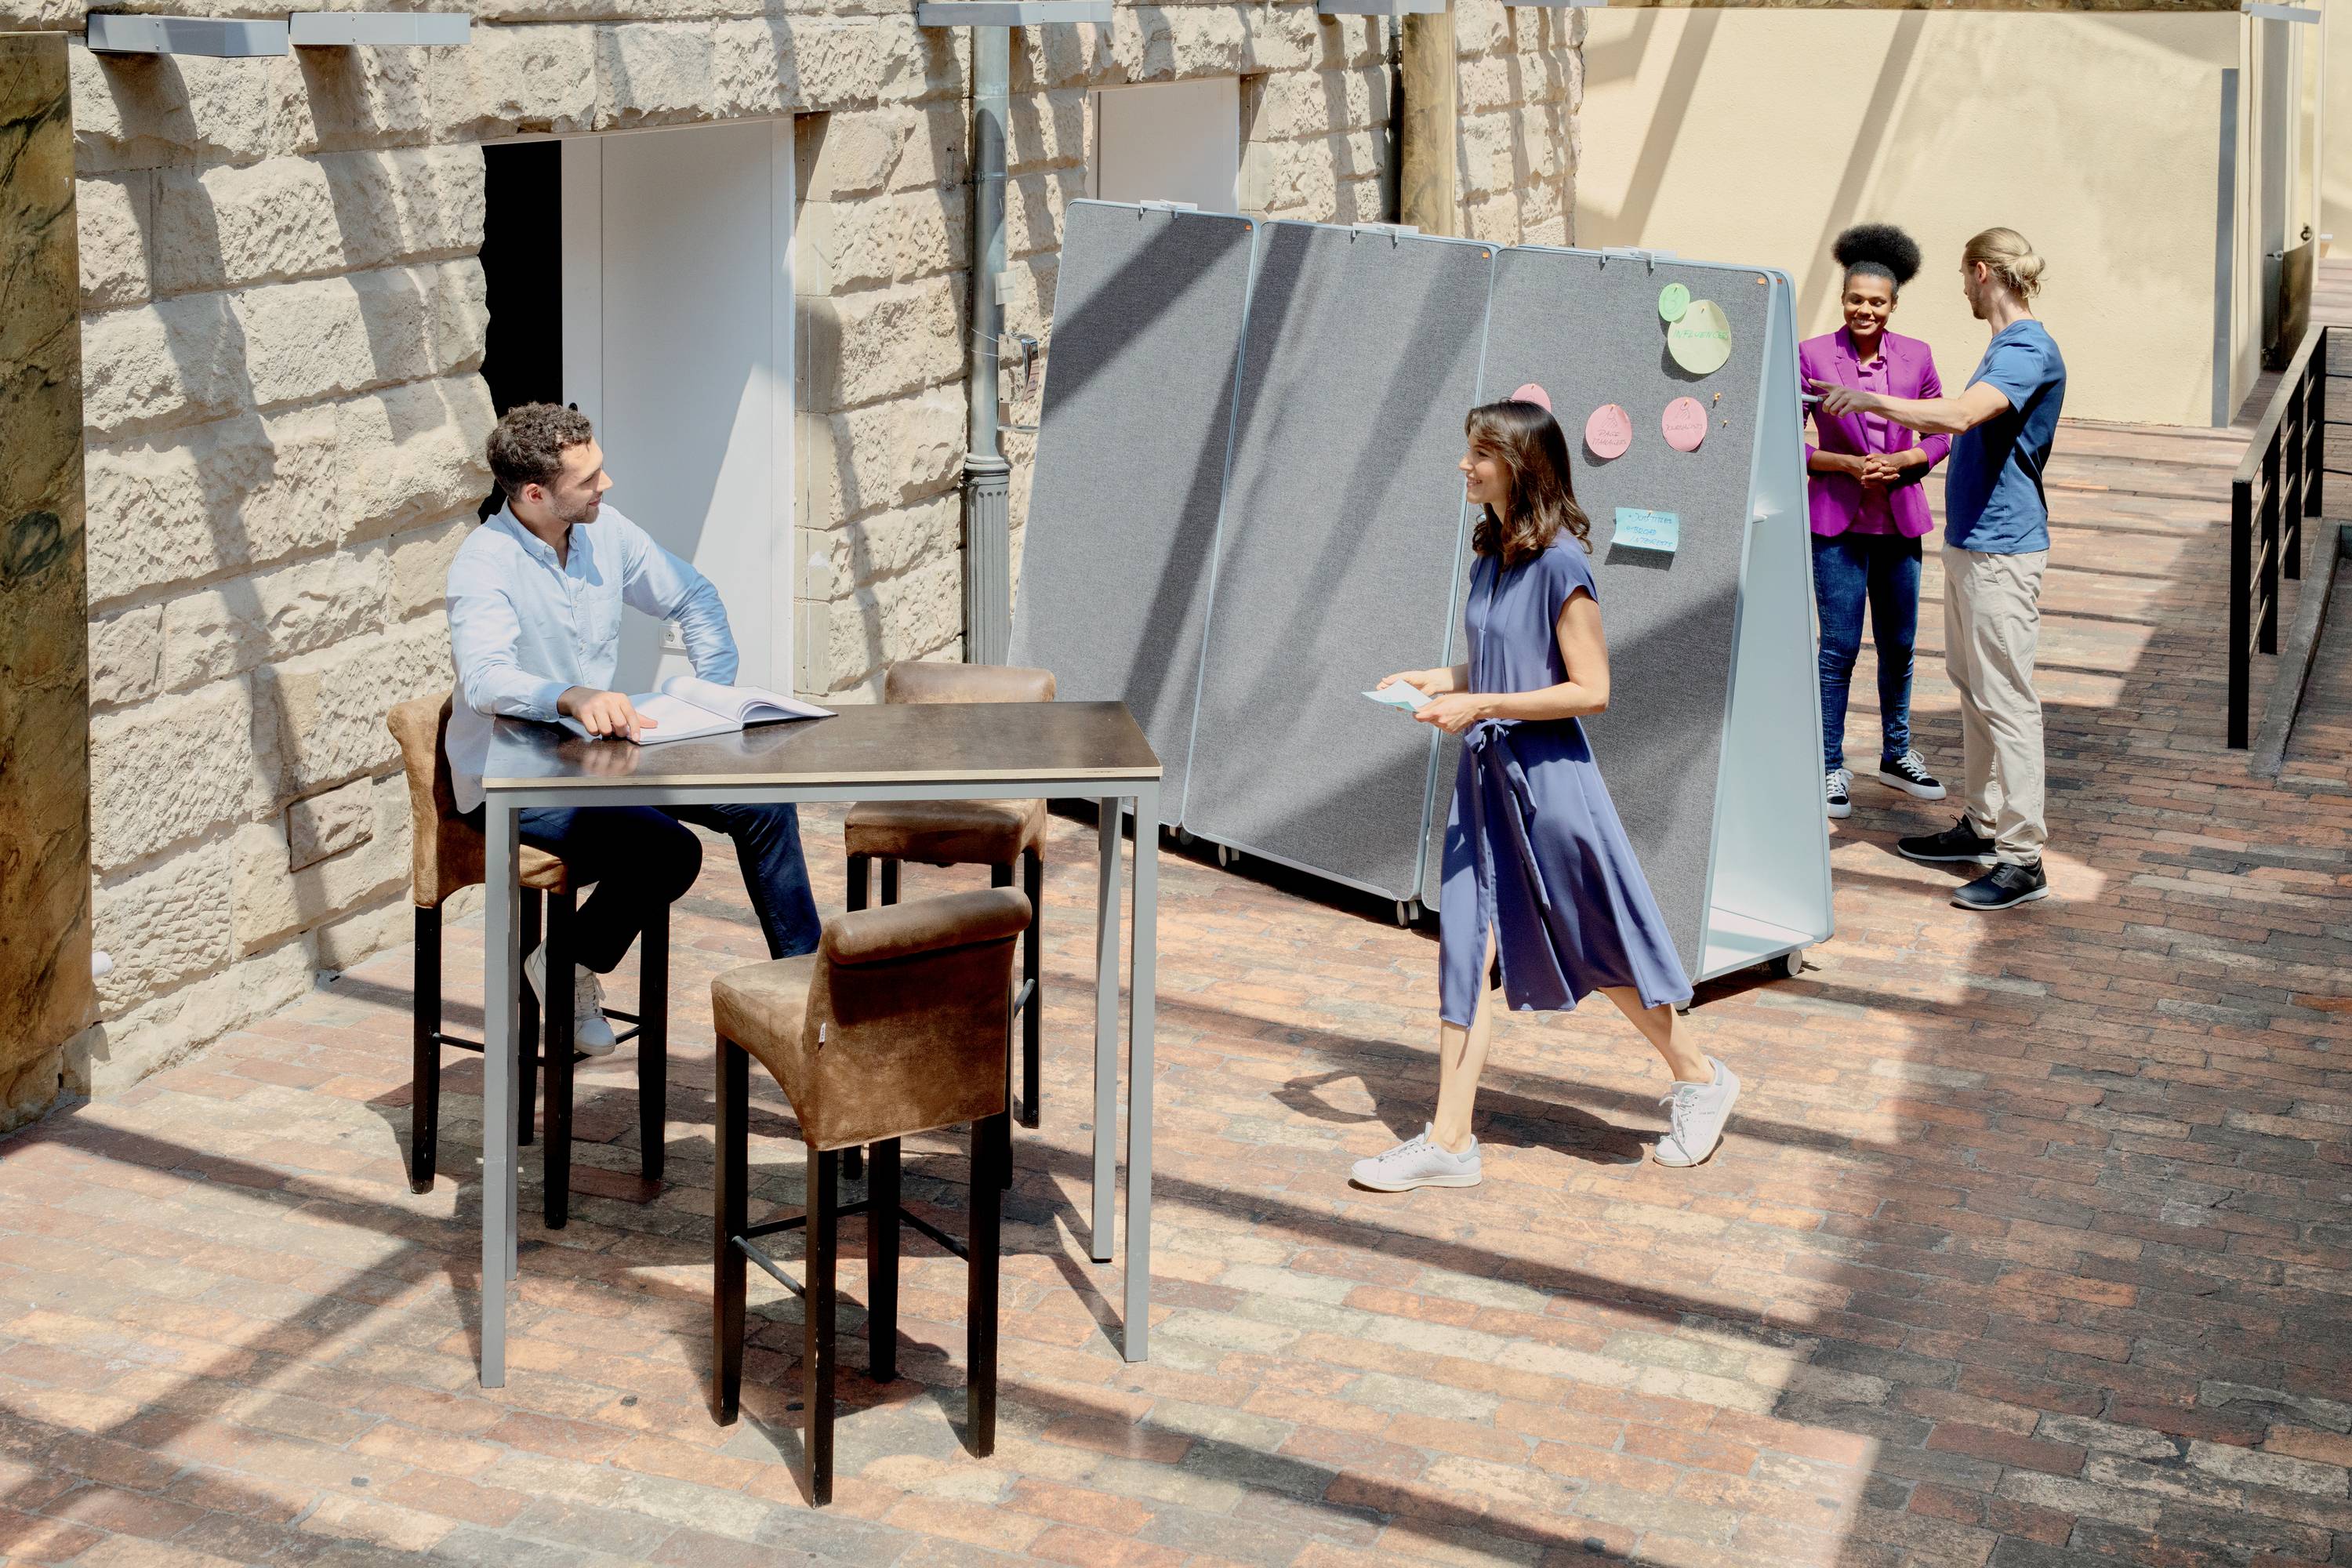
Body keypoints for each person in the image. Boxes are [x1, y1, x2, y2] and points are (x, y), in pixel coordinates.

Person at [1350, 396, 1739, 1188]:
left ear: (1520, 466)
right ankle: (1450, 1139)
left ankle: (1699, 1075)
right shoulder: (1490, 552)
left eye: (1481, 454)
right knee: (1465, 944)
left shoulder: (1562, 563)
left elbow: (1591, 688)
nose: (1465, 464)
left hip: (1551, 785)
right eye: (1468, 451)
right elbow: (1501, 663)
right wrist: (1442, 677)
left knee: (1596, 942)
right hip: (1486, 779)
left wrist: (1482, 703)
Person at [445, 403, 822, 1051]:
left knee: (765, 803)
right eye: (588, 479)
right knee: (667, 848)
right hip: (514, 779)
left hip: (605, 759)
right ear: (536, 493)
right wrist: (568, 695)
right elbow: (483, 681)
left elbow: (693, 597)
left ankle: (815, 1000)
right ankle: (569, 962)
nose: (606, 485)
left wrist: (713, 698)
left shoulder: (606, 533)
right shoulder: (484, 563)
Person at [1813, 227, 2064, 913]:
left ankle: (2022, 857)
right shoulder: (2004, 346)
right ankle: (1982, 828)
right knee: (1973, 686)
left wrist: (1870, 402)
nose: (1961, 287)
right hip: (1976, 543)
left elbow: (1958, 415)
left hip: (2004, 551)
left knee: (2007, 700)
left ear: (1981, 272)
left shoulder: (2026, 348)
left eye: (1963, 275)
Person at [1801, 223, 1951, 822]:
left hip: (1899, 525)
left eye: (1877, 301)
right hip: (1838, 523)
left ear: (1893, 305)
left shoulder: (1918, 356)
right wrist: (1841, 463)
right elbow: (1783, 439)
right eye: (1855, 298)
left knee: (1900, 645)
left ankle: (1896, 754)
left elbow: (1943, 428)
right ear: (1843, 298)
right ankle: (1830, 762)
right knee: (1837, 649)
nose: (1865, 309)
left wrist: (1909, 461)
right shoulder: (1812, 355)